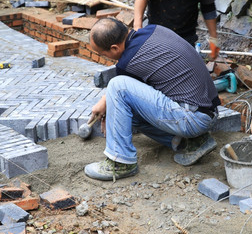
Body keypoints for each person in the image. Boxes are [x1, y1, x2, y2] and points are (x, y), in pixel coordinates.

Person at [84, 18, 221, 181]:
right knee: (128, 113)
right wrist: (109, 106)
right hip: (207, 111)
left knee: (117, 85)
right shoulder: (154, 30)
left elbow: (120, 88)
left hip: (192, 118)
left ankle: (120, 162)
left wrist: (105, 103)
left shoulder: (129, 61)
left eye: (103, 53)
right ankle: (190, 142)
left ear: (114, 47)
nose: (105, 57)